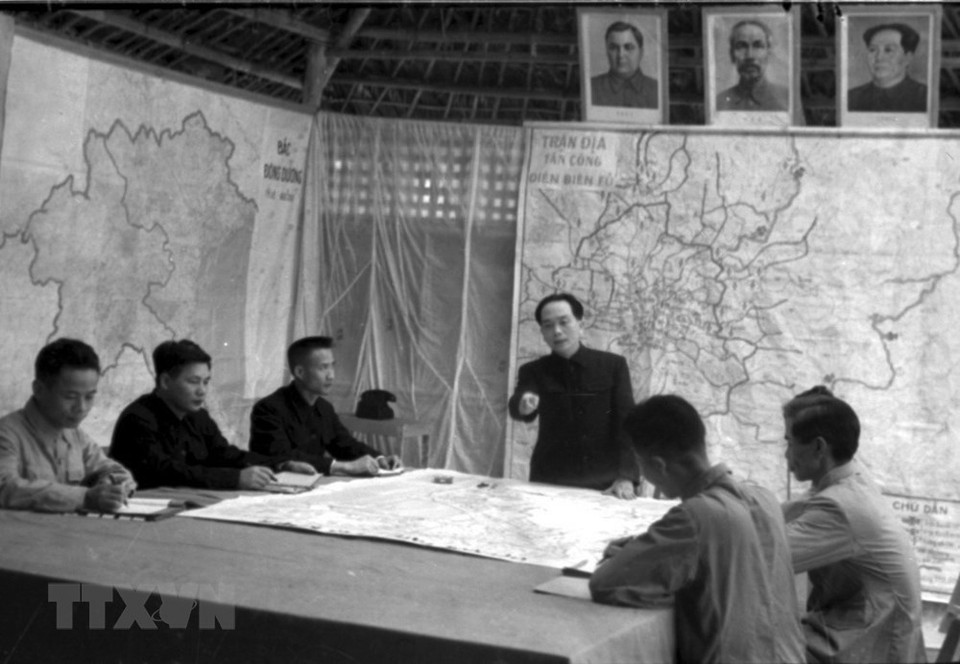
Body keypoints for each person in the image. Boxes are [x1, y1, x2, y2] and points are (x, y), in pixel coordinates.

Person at [590, 395, 806, 664]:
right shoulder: (764, 499)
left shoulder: (694, 517)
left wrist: (629, 558)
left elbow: (606, 583)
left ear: (658, 465)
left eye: (641, 465)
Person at [781, 386, 925, 663]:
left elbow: (758, 557)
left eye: (789, 442)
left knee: (741, 646)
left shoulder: (841, 506)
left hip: (873, 647)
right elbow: (788, 513)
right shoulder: (849, 480)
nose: (786, 454)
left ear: (819, 447)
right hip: (864, 630)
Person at [110, 339, 311, 490]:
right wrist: (236, 479)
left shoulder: (198, 416)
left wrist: (281, 464)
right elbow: (167, 472)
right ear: (164, 381)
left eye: (206, 382)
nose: (202, 391)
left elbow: (225, 454)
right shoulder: (138, 419)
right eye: (194, 381)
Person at [508, 293, 639, 498]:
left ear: (580, 323)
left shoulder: (613, 366)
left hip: (606, 480)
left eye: (564, 322)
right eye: (548, 325)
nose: (557, 331)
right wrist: (524, 404)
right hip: (550, 479)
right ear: (542, 332)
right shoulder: (533, 370)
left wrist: (626, 476)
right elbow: (518, 403)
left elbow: (628, 424)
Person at [0, 338, 135, 513]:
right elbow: (5, 487)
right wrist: (85, 497)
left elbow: (114, 470)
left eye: (89, 397)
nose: (81, 408)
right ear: (39, 390)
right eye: (70, 397)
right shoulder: (7, 435)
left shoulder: (76, 436)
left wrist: (111, 486)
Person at [249, 336, 403, 476]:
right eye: (323, 368)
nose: (332, 375)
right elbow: (282, 457)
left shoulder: (324, 408)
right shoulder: (268, 409)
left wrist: (379, 458)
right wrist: (344, 467)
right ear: (300, 372)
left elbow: (345, 444)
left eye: (332, 366)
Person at [848, 23, 927, 113]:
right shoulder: (852, 97)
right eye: (872, 50)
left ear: (907, 57)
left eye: (888, 50)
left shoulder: (925, 96)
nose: (879, 57)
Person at [716, 19, 789, 112]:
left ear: (769, 53)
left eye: (758, 46)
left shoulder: (787, 98)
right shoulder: (719, 102)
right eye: (741, 46)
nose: (750, 56)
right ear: (732, 55)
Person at [590, 21, 658, 109]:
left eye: (628, 47)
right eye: (613, 48)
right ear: (607, 52)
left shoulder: (656, 89)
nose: (621, 55)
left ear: (641, 52)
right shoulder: (591, 87)